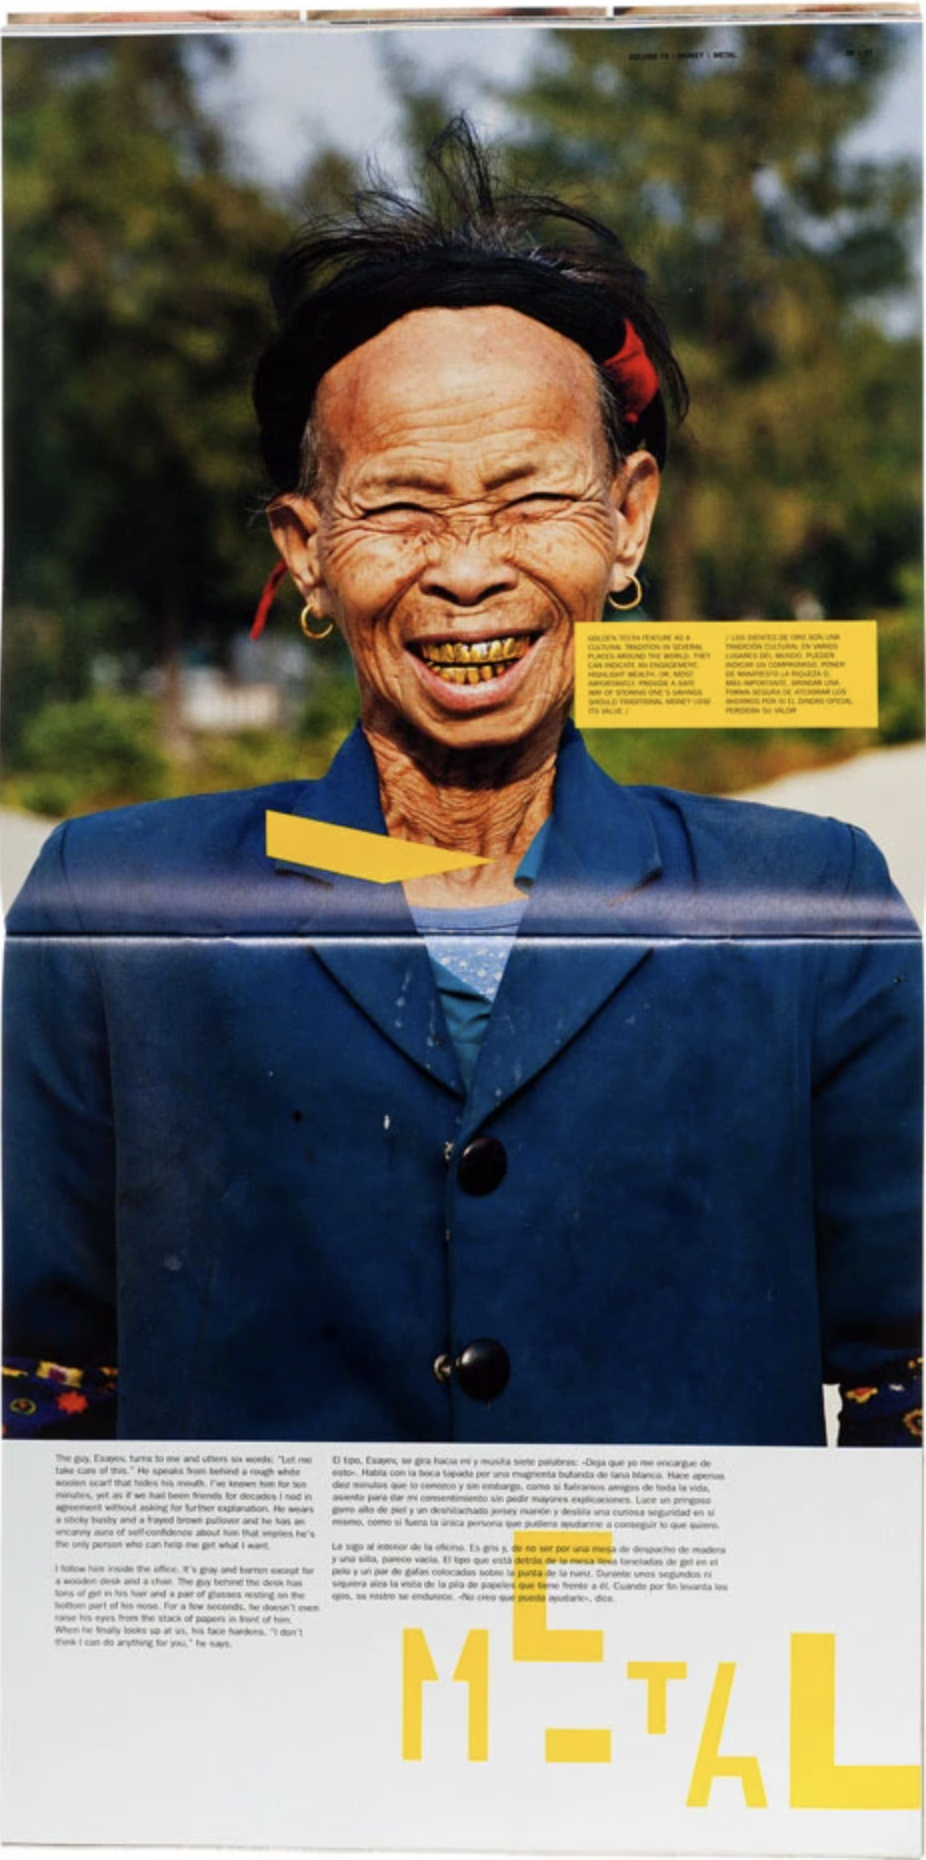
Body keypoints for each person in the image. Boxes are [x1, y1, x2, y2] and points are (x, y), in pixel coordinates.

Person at [3, 121, 920, 1447]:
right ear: (307, 551)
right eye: (400, 507)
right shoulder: (114, 908)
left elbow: (905, 1377)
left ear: (627, 520)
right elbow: (38, 1387)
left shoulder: (810, 909)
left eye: (533, 499)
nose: (471, 569)